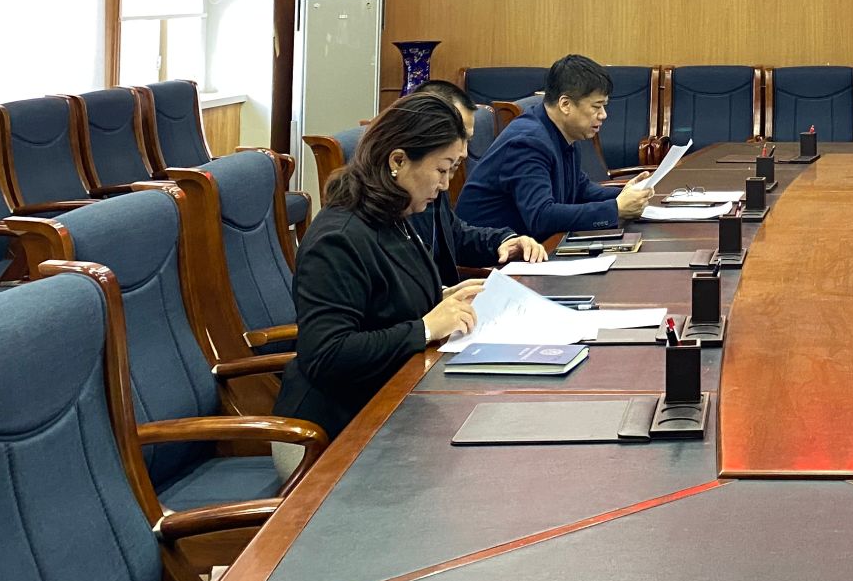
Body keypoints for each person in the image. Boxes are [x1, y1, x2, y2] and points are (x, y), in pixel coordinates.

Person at [274, 95, 547, 465]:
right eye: (442, 170)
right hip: (328, 430)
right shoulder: (338, 239)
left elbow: (383, 303)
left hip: (388, 398)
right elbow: (328, 354)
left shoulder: (393, 216)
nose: (446, 184)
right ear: (398, 161)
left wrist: (443, 298)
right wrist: (426, 327)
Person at [457, 53, 656, 237]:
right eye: (596, 106)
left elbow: (579, 189)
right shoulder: (528, 142)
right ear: (565, 104)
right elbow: (541, 217)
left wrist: (626, 194)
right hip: (491, 252)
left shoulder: (561, 131)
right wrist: (615, 208)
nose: (603, 115)